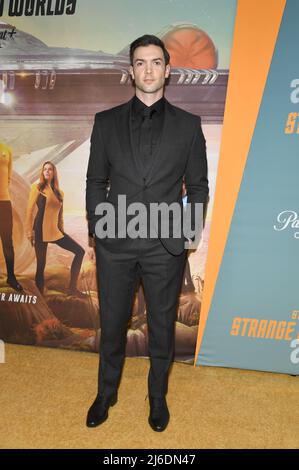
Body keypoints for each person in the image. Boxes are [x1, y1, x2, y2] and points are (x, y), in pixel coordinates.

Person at [86, 35, 209, 431]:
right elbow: (95, 180)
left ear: (168, 70)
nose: (149, 70)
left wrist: (185, 239)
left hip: (164, 248)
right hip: (115, 245)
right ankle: (107, 393)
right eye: (141, 63)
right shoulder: (105, 122)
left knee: (161, 327)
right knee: (113, 323)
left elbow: (199, 188)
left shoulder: (189, 126)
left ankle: (157, 399)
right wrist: (98, 231)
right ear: (131, 70)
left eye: (157, 62)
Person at [25, 161, 86, 297]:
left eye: (50, 169)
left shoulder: (60, 193)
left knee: (80, 251)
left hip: (55, 230)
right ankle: (40, 297)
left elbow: (60, 215)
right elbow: (29, 211)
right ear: (42, 172)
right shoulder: (37, 188)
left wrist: (62, 231)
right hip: (39, 229)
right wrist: (29, 232)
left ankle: (72, 288)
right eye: (45, 169)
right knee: (41, 265)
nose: (47, 171)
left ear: (54, 173)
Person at [0, 142, 23, 291]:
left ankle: (11, 277)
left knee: (7, 241)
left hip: (4, 202)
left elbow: (8, 177)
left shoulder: (7, 149)